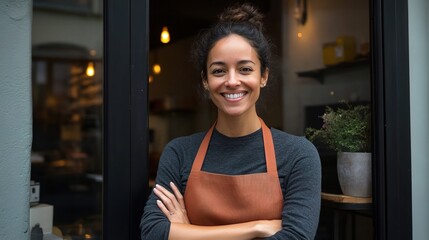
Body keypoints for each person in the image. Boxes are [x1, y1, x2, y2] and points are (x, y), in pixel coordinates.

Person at [140, 3, 321, 240]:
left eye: (245, 69)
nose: (232, 81)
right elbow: (152, 232)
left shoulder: (298, 155)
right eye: (218, 71)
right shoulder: (179, 153)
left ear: (263, 76)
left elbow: (296, 237)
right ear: (205, 80)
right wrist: (255, 228)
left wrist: (188, 232)